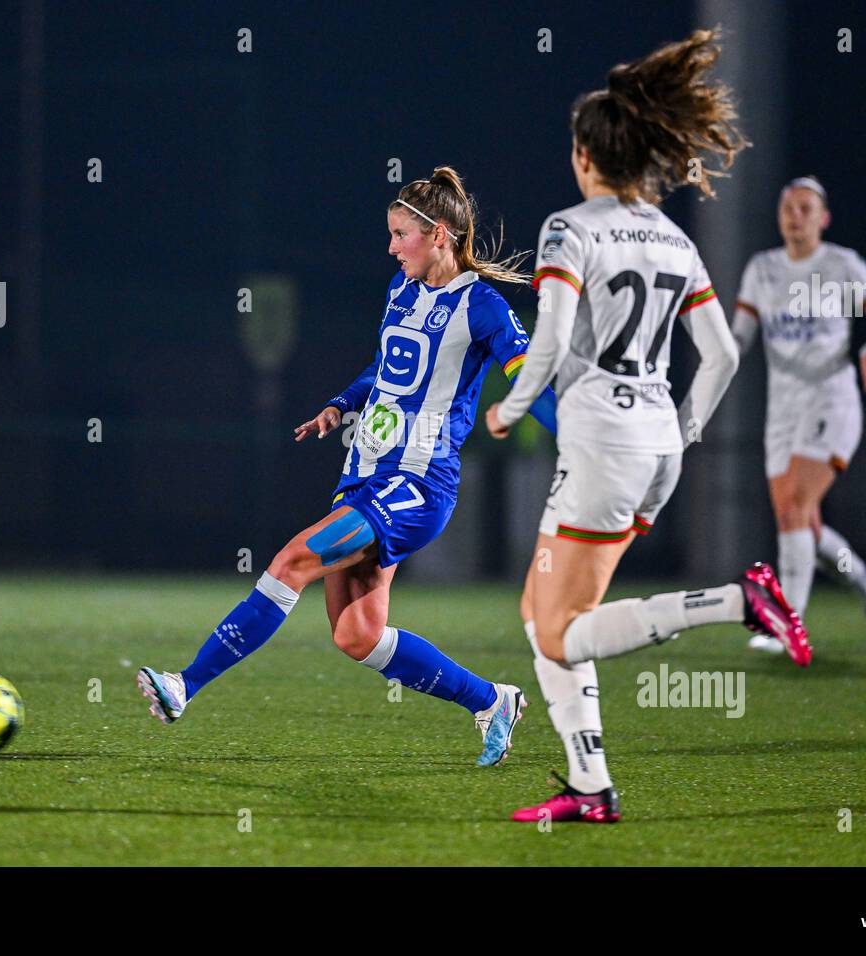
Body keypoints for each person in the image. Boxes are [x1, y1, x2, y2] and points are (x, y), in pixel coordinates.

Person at [485, 30, 809, 823]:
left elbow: (553, 339)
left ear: (587, 157)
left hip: (601, 448)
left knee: (559, 636)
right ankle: (589, 787)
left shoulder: (571, 227)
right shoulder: (673, 237)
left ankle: (740, 601)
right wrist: (686, 430)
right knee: (544, 616)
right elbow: (725, 355)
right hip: (657, 443)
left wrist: (510, 408)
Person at [138, 167, 559, 766]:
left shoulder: (483, 305)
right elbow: (386, 369)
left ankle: (186, 685)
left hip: (417, 484)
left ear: (438, 234)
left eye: (399, 234)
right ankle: (492, 700)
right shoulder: (400, 288)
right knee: (356, 635)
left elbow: (532, 382)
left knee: (291, 561)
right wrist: (342, 403)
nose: (390, 247)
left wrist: (576, 435)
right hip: (364, 473)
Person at [734, 176, 866, 653]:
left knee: (794, 508)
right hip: (782, 410)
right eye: (788, 207)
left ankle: (789, 625)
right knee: (802, 523)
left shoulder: (842, 264)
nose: (796, 215)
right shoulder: (762, 268)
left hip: (832, 399)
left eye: (806, 208)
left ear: (823, 218)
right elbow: (739, 337)